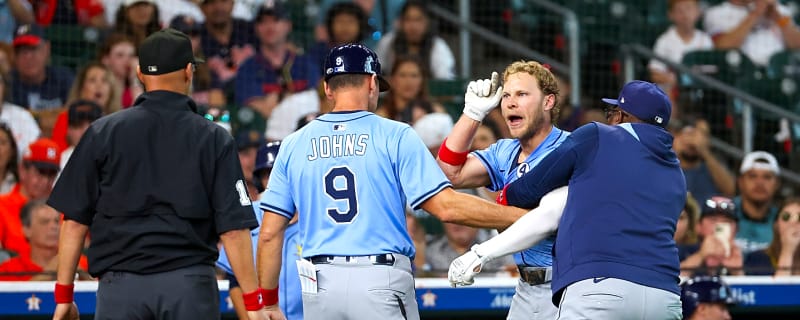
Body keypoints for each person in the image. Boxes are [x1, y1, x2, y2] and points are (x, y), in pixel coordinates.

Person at [256, 43, 527, 320]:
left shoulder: (292, 145)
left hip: (319, 286)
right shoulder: (394, 134)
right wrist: (524, 217)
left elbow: (268, 234)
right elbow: (446, 207)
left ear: (328, 88)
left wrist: (268, 303)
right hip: (378, 278)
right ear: (372, 83)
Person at [47, 29, 267, 320]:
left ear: (139, 73)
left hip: (120, 290)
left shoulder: (103, 131)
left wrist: (64, 296)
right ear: (189, 71)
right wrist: (253, 303)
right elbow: (234, 229)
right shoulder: (213, 137)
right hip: (189, 287)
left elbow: (74, 220)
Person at [450, 80, 685, 319]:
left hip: (601, 287)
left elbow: (530, 193)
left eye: (613, 113)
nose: (610, 119)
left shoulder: (597, 137)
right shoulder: (676, 173)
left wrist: (503, 198)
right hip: (665, 295)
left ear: (622, 116)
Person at [437, 60, 567, 320]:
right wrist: (473, 113)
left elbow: (550, 220)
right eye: (506, 95)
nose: (510, 102)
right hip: (525, 288)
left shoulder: (571, 148)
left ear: (548, 102)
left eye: (522, 94)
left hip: (566, 286)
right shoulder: (504, 151)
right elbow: (449, 173)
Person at [234, 2, 320, 141]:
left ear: (288, 25)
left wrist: (276, 101)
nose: (270, 27)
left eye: (276, 20)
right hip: (266, 140)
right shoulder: (247, 68)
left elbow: (317, 105)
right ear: (256, 28)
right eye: (263, 22)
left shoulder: (305, 64)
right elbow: (259, 111)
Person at [0, 138, 60, 257]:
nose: (45, 181)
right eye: (40, 172)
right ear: (22, 170)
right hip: (15, 273)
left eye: (51, 174)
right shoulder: (2, 207)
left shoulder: (62, 208)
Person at [649, 0, 713, 105]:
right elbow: (655, 73)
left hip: (700, 94)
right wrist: (677, 80)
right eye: (679, 10)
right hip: (673, 94)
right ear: (670, 15)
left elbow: (711, 72)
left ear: (697, 12)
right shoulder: (664, 40)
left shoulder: (705, 40)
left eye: (688, 8)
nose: (685, 14)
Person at [703, 0, 800, 66]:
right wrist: (755, 14)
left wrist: (779, 18)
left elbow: (797, 45)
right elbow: (722, 47)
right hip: (741, 73)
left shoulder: (780, 11)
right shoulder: (716, 13)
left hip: (781, 71)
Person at [375, 0, 456, 80]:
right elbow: (373, 75)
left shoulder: (438, 47)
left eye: (418, 20)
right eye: (408, 19)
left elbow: (446, 83)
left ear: (427, 22)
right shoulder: (388, 42)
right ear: (400, 22)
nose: (413, 26)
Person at [671, 116, 736, 208]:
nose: (695, 139)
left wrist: (704, 151)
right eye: (691, 133)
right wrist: (673, 149)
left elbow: (731, 190)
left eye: (702, 134)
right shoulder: (668, 164)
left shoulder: (712, 168)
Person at [679, 196, 745, 276]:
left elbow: (756, 288)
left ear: (736, 229)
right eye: (713, 220)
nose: (719, 226)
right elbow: (669, 283)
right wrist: (700, 256)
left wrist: (737, 272)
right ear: (699, 226)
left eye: (727, 221)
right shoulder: (680, 252)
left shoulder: (747, 257)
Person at [733, 150, 781, 255]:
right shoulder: (723, 213)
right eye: (753, 176)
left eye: (767, 177)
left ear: (777, 184)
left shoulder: (784, 220)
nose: (759, 183)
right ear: (740, 182)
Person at [744, 196, 800, 275]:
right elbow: (780, 287)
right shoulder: (757, 259)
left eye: (799, 218)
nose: (793, 223)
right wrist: (787, 251)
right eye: (786, 217)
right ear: (776, 225)